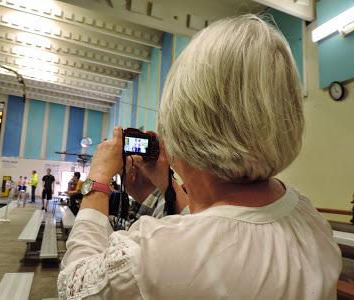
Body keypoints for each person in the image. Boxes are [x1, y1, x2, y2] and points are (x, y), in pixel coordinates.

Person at [58, 15, 342, 299]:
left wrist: (97, 181)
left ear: (188, 127)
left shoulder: (154, 254)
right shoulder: (307, 215)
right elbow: (220, 224)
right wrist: (164, 182)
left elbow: (74, 284)